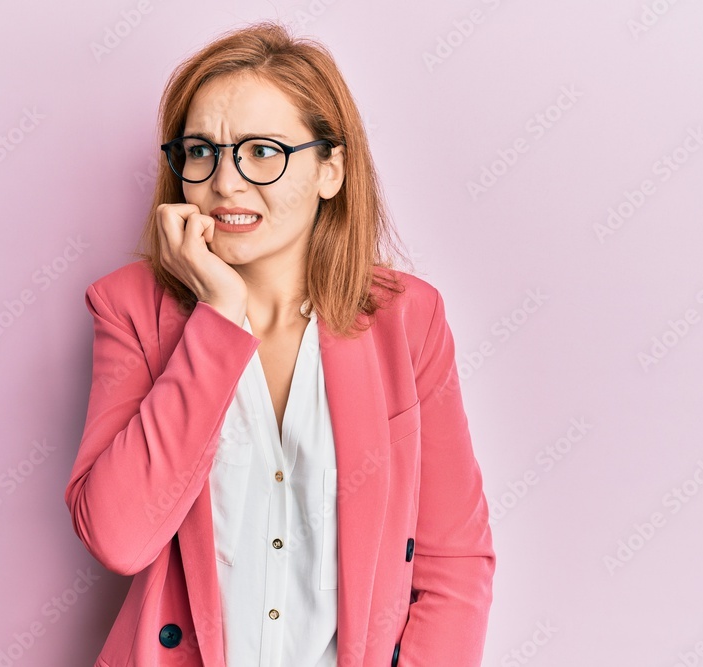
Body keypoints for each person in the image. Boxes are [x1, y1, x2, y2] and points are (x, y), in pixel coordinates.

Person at [64, 20, 495, 667]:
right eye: (201, 151)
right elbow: (121, 537)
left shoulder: (408, 321)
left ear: (330, 169)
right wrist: (219, 316)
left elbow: (454, 561)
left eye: (263, 151)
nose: (226, 183)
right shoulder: (130, 309)